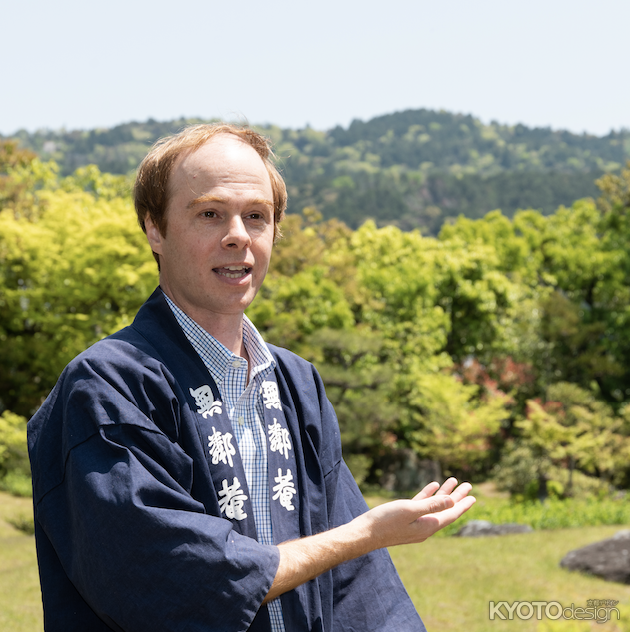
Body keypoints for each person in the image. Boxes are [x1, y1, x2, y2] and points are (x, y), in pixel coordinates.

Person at [28, 123, 475, 632]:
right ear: (155, 228)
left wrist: (359, 542)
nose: (238, 234)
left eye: (256, 217)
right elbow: (173, 573)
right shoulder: (108, 386)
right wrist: (362, 535)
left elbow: (359, 590)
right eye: (210, 214)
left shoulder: (294, 381)